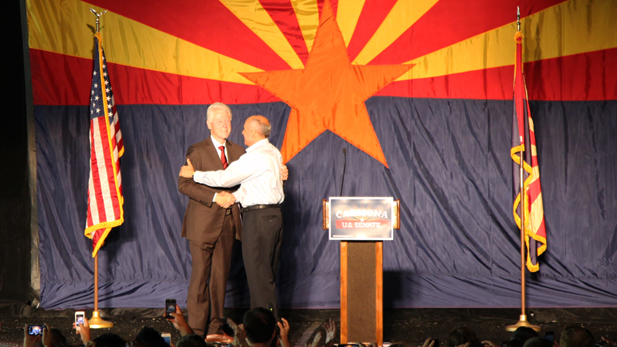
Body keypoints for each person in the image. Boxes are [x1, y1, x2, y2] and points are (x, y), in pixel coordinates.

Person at [179, 115, 285, 319]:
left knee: (258, 278)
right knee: (266, 277)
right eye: (221, 121)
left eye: (244, 129)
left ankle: (263, 331)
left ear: (254, 133)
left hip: (259, 221)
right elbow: (254, 188)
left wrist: (195, 175)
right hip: (272, 217)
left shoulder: (250, 155)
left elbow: (225, 178)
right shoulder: (273, 152)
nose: (241, 131)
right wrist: (230, 197)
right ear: (208, 123)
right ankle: (271, 325)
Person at [178, 102, 245, 340]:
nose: (225, 125)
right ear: (209, 124)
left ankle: (214, 329)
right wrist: (216, 197)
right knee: (200, 278)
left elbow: (252, 181)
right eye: (219, 122)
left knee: (219, 279)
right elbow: (184, 184)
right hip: (202, 225)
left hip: (228, 225)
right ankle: (195, 332)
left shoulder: (239, 152)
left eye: (227, 121)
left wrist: (280, 172)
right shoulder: (196, 151)